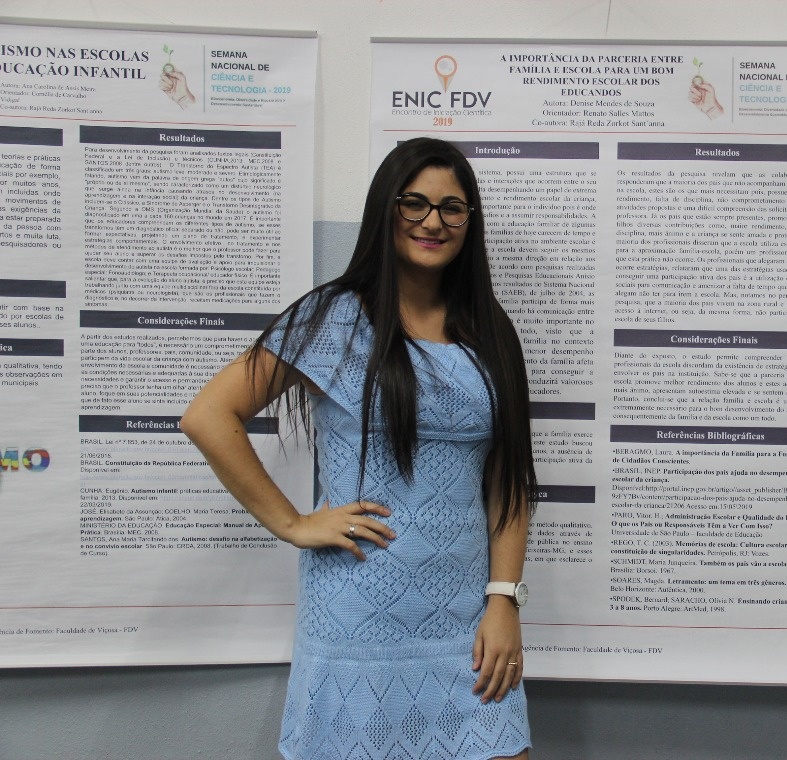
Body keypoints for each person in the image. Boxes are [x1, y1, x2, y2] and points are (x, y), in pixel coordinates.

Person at [181, 137, 535, 760]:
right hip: (357, 610)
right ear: (385, 210)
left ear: (469, 221)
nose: (433, 222)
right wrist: (293, 523)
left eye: (452, 208)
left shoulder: (491, 330)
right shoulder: (333, 317)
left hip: (469, 621)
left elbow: (507, 480)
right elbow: (208, 415)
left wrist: (503, 598)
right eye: (414, 203)